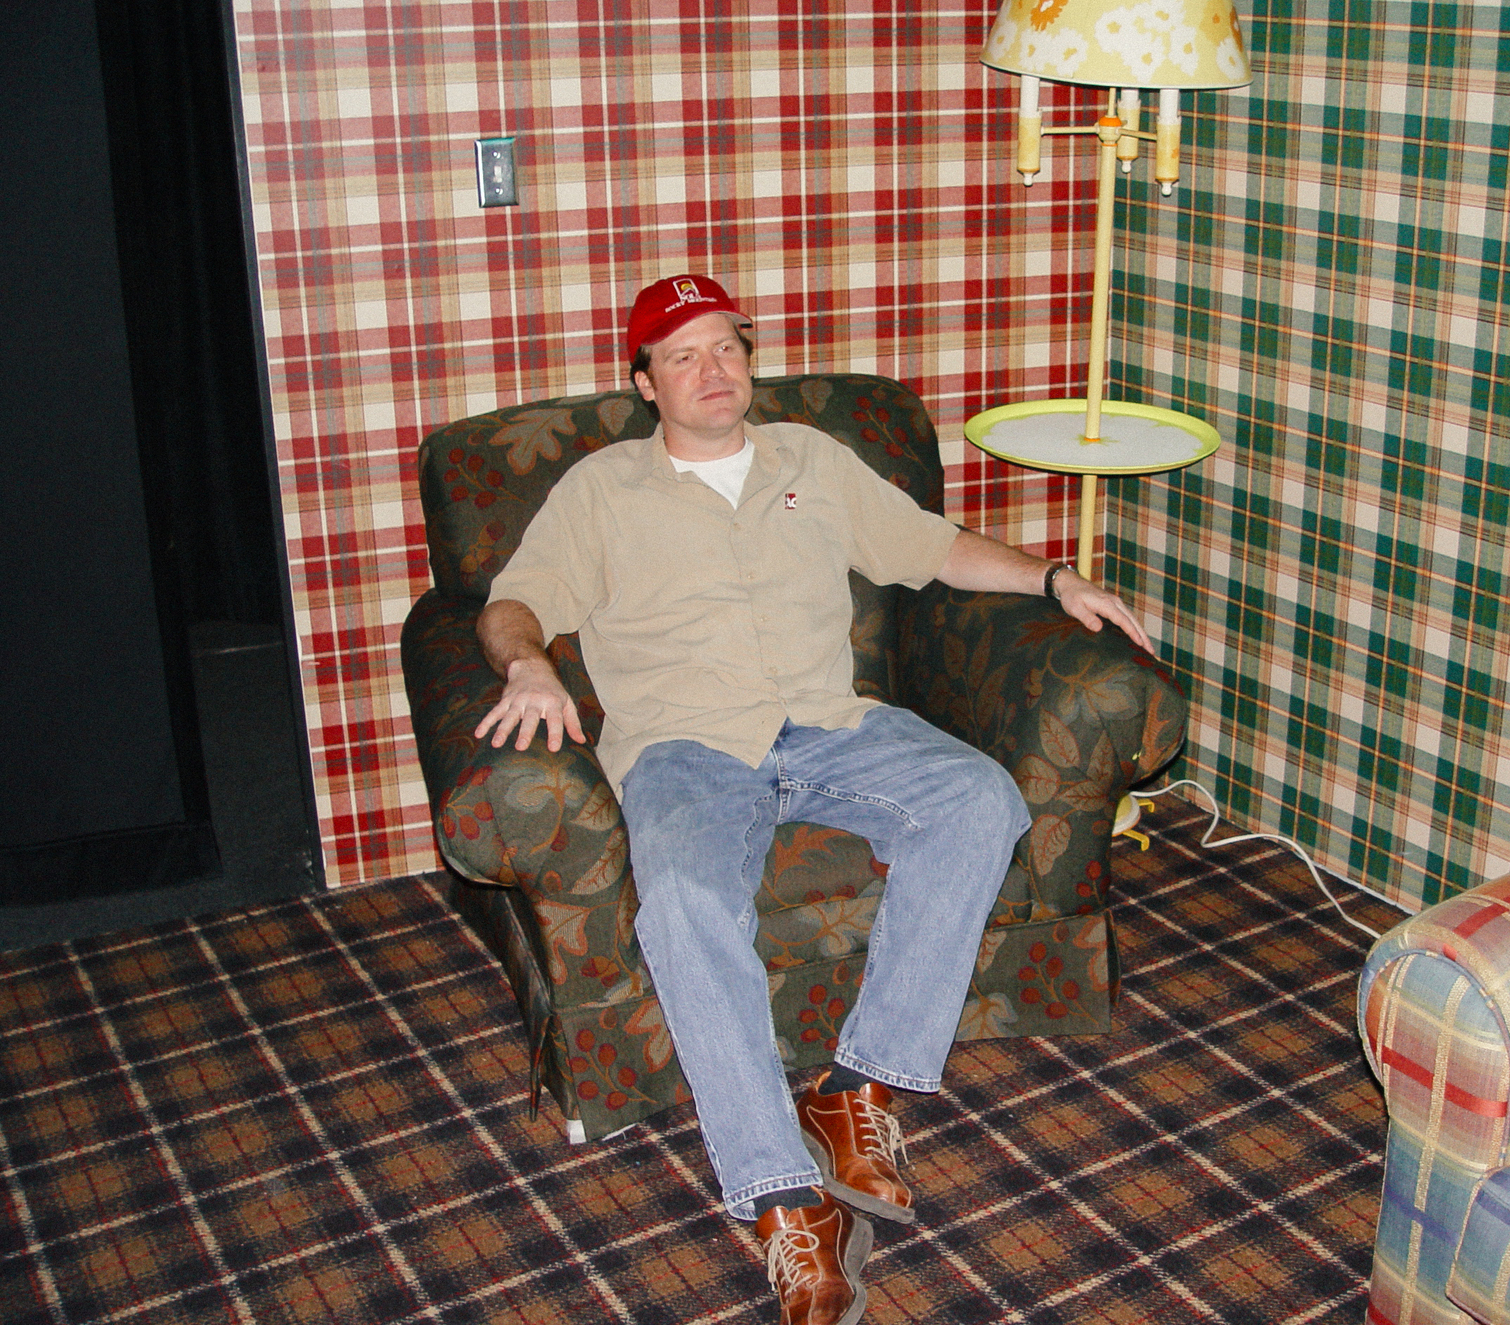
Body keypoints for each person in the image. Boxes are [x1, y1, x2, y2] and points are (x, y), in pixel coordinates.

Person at [475, 274, 1151, 1325]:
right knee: (690, 909)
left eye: (728, 347)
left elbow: (929, 547)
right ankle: (785, 1197)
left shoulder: (811, 461)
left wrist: (1055, 578)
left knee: (980, 799)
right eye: (684, 354)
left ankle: (859, 1084)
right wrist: (528, 665)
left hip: (833, 725)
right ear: (645, 382)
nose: (713, 370)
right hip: (685, 749)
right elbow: (512, 602)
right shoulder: (602, 490)